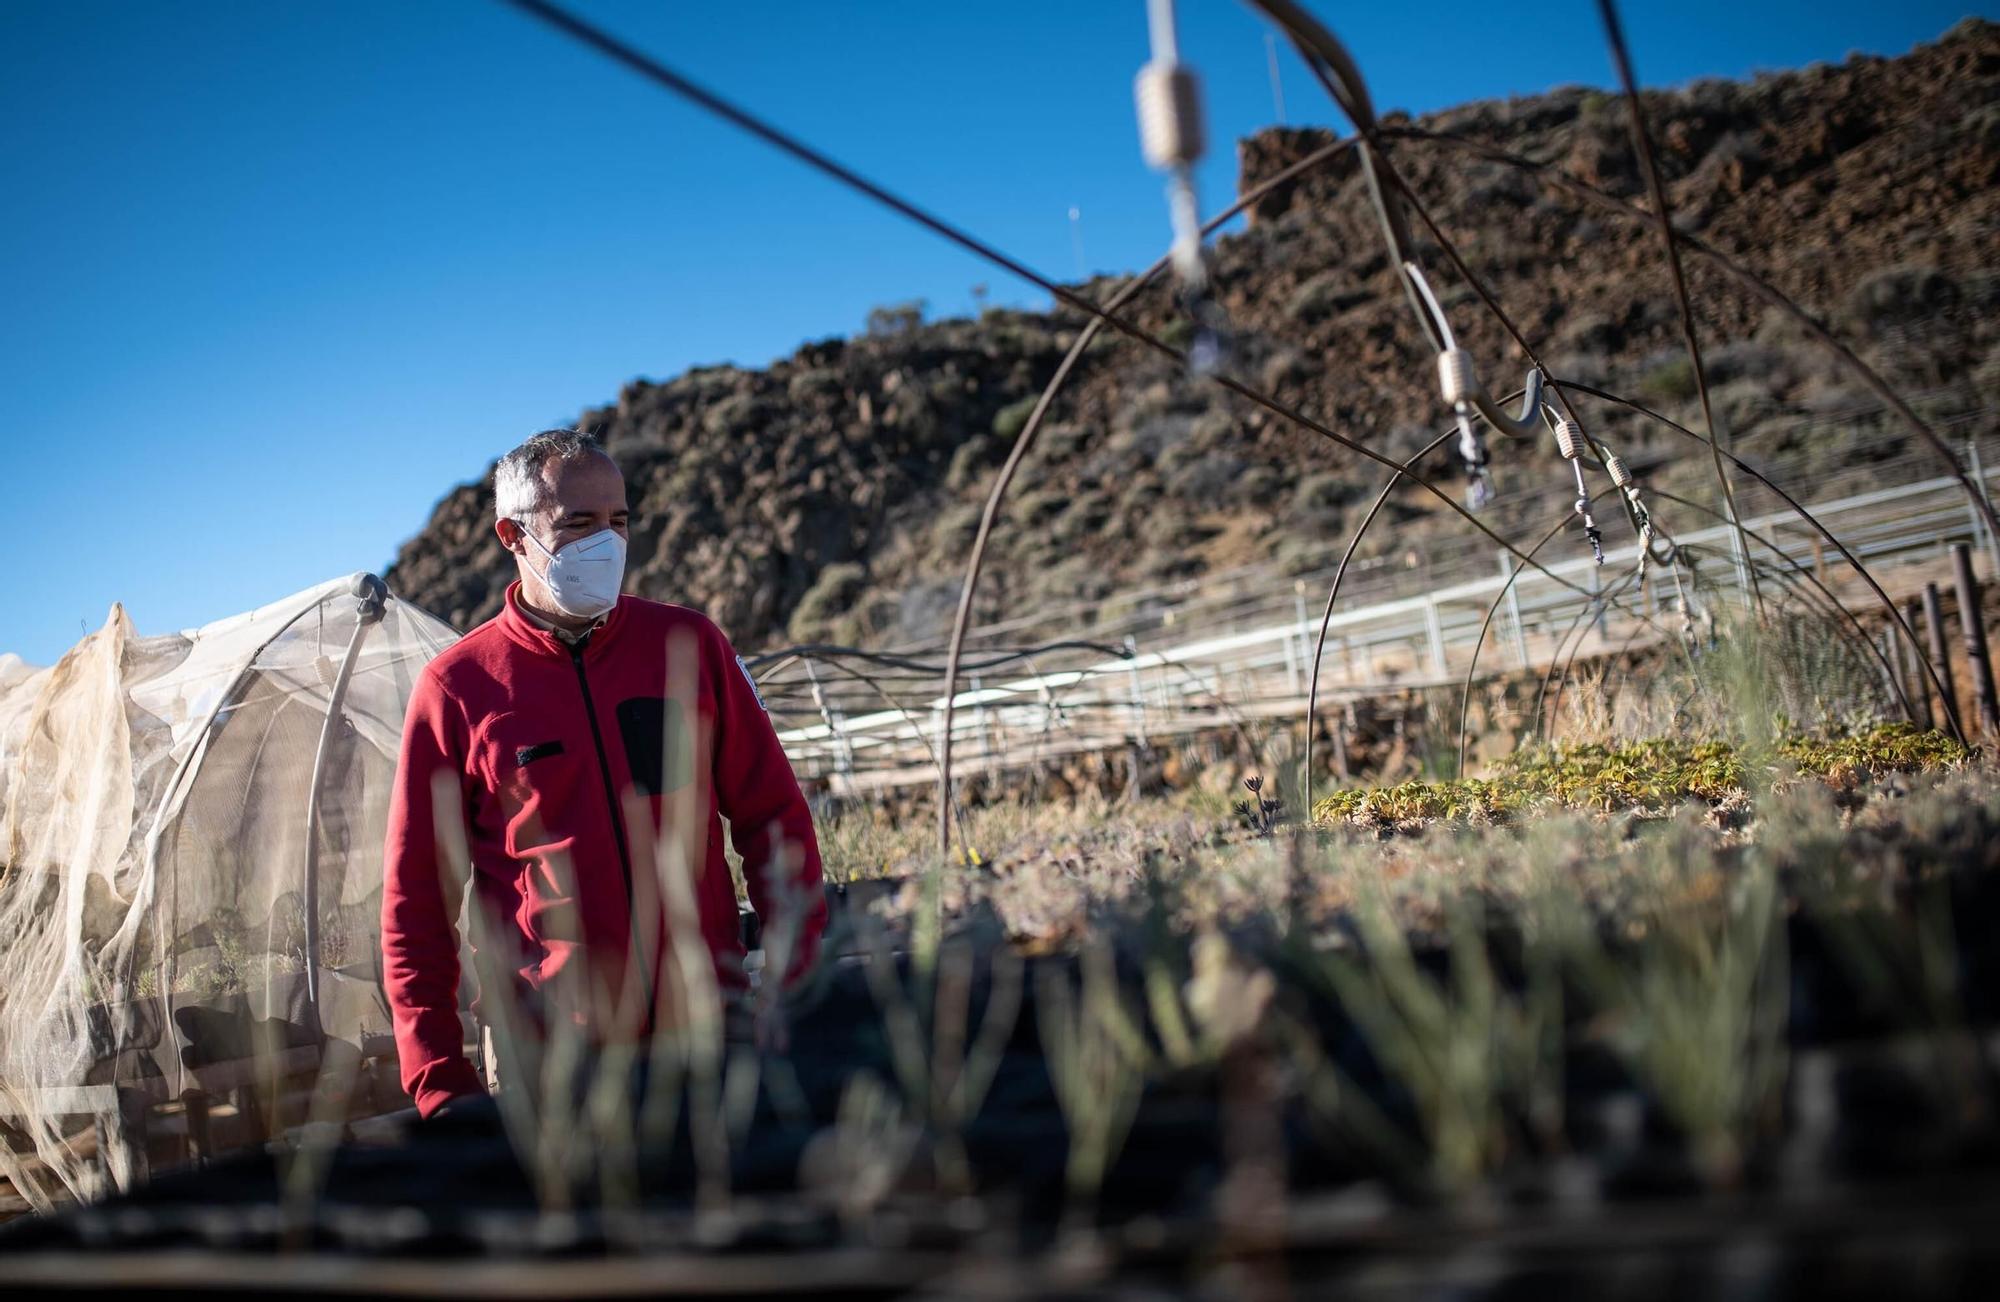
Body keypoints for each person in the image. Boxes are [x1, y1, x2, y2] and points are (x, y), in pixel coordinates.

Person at [381, 428, 828, 1119]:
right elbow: (417, 901)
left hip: (711, 1030)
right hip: (553, 1058)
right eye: (578, 524)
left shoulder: (686, 646)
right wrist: (439, 1081)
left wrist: (796, 987)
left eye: (619, 522)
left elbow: (773, 819)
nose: (606, 544)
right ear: (512, 534)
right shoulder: (459, 689)